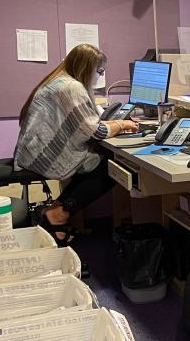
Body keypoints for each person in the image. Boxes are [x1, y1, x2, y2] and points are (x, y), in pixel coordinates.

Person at [15, 44, 139, 245]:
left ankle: (56, 209)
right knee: (112, 163)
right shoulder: (72, 87)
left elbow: (85, 125)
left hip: (33, 150)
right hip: (43, 155)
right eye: (99, 72)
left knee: (100, 156)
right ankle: (59, 213)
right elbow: (97, 131)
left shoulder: (59, 80)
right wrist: (121, 124)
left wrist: (113, 124)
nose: (99, 76)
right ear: (87, 68)